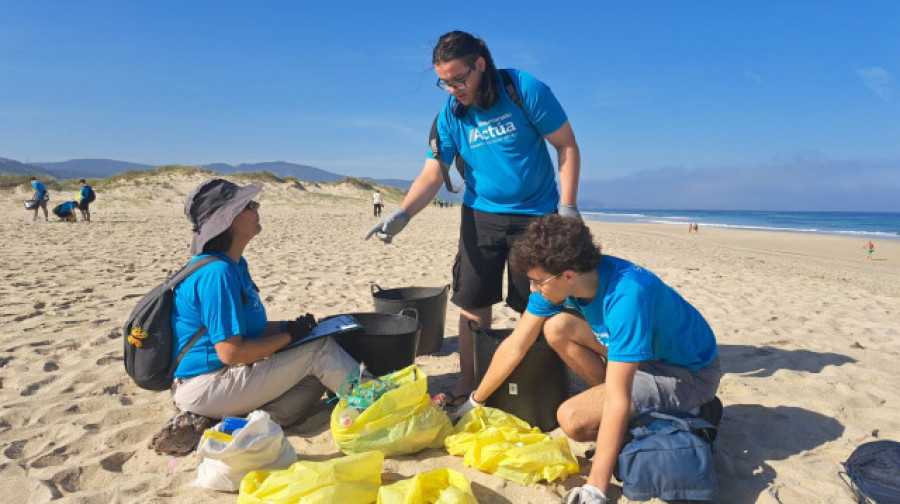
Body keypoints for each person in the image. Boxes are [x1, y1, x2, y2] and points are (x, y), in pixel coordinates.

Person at [364, 30, 581, 406]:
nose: (452, 89)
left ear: (481, 64)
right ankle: (469, 379)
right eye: (443, 82)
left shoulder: (522, 89)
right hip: (481, 216)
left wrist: (568, 205)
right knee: (473, 299)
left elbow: (566, 144)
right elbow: (433, 173)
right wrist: (404, 212)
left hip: (537, 216)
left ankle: (540, 378)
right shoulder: (450, 114)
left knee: (534, 301)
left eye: (459, 79)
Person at [454, 215, 722, 504]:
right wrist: (475, 402)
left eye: (536, 281)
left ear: (568, 275)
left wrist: (595, 487)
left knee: (573, 419)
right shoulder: (566, 279)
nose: (532, 289)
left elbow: (617, 398)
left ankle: (689, 411)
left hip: (686, 373)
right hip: (644, 357)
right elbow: (515, 345)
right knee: (557, 327)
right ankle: (637, 409)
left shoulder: (627, 295)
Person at [169, 179, 368, 427]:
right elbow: (231, 353)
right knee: (320, 352)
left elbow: (245, 330)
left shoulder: (235, 265)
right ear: (228, 220)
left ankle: (235, 425)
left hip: (219, 383)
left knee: (315, 377)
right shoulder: (217, 273)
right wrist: (288, 338)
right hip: (204, 384)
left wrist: (293, 328)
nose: (258, 206)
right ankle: (376, 405)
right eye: (249, 205)